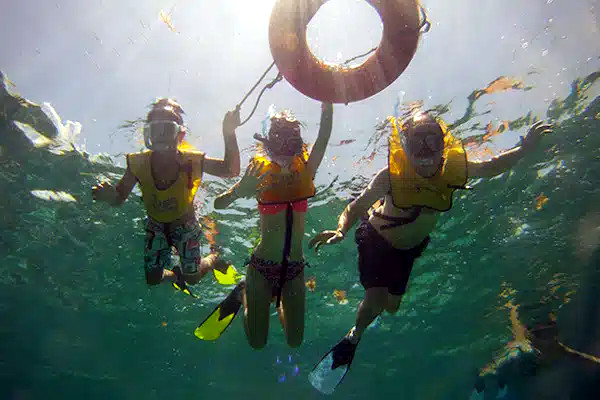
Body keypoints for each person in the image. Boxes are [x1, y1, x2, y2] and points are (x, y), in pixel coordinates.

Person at [306, 110, 553, 393]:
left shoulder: (453, 170)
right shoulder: (389, 176)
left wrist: (524, 148)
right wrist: (341, 230)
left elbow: (492, 165)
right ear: (405, 146)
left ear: (443, 144)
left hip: (409, 250)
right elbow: (356, 206)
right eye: (416, 143)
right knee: (375, 299)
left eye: (431, 141)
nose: (424, 151)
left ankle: (370, 316)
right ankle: (354, 335)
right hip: (376, 240)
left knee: (392, 306)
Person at [194, 102, 333, 348]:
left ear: (299, 143)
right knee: (257, 342)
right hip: (261, 268)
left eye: (291, 140)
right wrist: (240, 191)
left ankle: (277, 300)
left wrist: (327, 100)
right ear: (269, 142)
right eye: (279, 139)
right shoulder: (259, 173)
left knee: (295, 341)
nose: (285, 147)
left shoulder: (306, 171)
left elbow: (323, 137)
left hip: (294, 269)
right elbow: (218, 204)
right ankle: (243, 293)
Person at [91, 98, 241, 293]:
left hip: (185, 225)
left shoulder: (192, 161)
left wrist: (229, 132)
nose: (161, 136)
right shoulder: (137, 164)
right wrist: (109, 195)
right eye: (156, 129)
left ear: (180, 135)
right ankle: (177, 276)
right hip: (156, 226)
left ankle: (213, 258)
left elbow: (231, 170)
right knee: (153, 279)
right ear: (148, 133)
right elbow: (119, 198)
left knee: (193, 278)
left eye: (167, 129)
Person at [470, 302, 600, 399]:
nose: (548, 340)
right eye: (540, 333)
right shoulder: (513, 362)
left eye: (548, 331)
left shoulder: (581, 365)